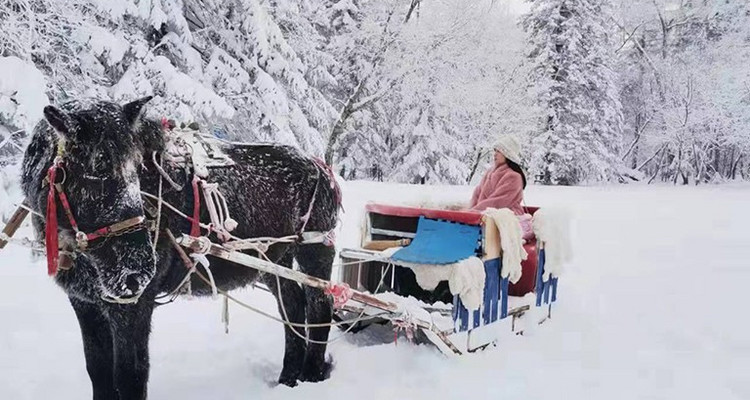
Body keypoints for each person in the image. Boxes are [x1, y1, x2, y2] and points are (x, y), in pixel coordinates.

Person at [470, 135, 533, 239]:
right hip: (484, 216)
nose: (495, 154)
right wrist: (470, 210)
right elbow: (478, 192)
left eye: (498, 151)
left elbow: (498, 202)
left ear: (507, 154)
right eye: (495, 151)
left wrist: (474, 212)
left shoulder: (513, 177)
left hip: (505, 218)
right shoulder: (490, 172)